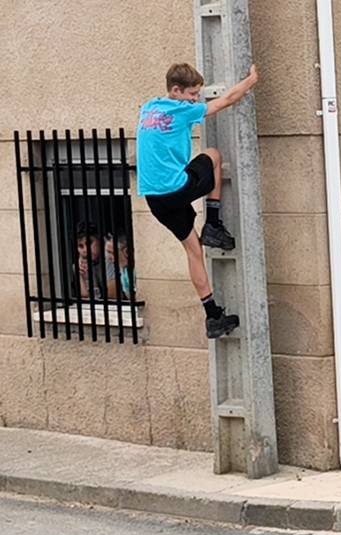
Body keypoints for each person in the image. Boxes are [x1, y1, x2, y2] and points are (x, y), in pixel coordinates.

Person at [136, 62, 258, 338]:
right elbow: (226, 101)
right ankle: (213, 224)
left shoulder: (149, 108)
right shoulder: (182, 111)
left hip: (155, 199)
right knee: (214, 155)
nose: (196, 99)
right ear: (176, 91)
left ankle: (213, 316)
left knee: (193, 250)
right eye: (192, 94)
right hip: (175, 189)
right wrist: (250, 81)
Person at [75, 222, 106, 299]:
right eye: (80, 246)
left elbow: (114, 296)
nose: (85, 250)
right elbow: (85, 297)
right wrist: (81, 275)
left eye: (89, 243)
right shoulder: (81, 265)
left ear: (99, 239)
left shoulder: (110, 257)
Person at [104, 233, 134, 300]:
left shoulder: (139, 270)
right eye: (108, 252)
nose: (110, 258)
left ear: (126, 252)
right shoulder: (124, 269)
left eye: (113, 253)